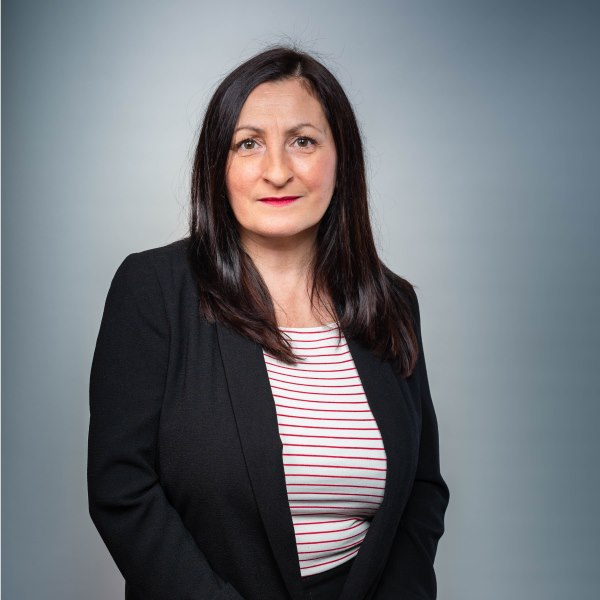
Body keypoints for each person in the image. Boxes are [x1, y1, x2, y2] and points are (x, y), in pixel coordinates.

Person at [87, 46, 449, 600]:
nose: (278, 172)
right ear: (218, 164)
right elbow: (122, 489)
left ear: (341, 158)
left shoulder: (391, 302)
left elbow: (421, 490)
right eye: (248, 143)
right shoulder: (154, 289)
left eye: (303, 141)